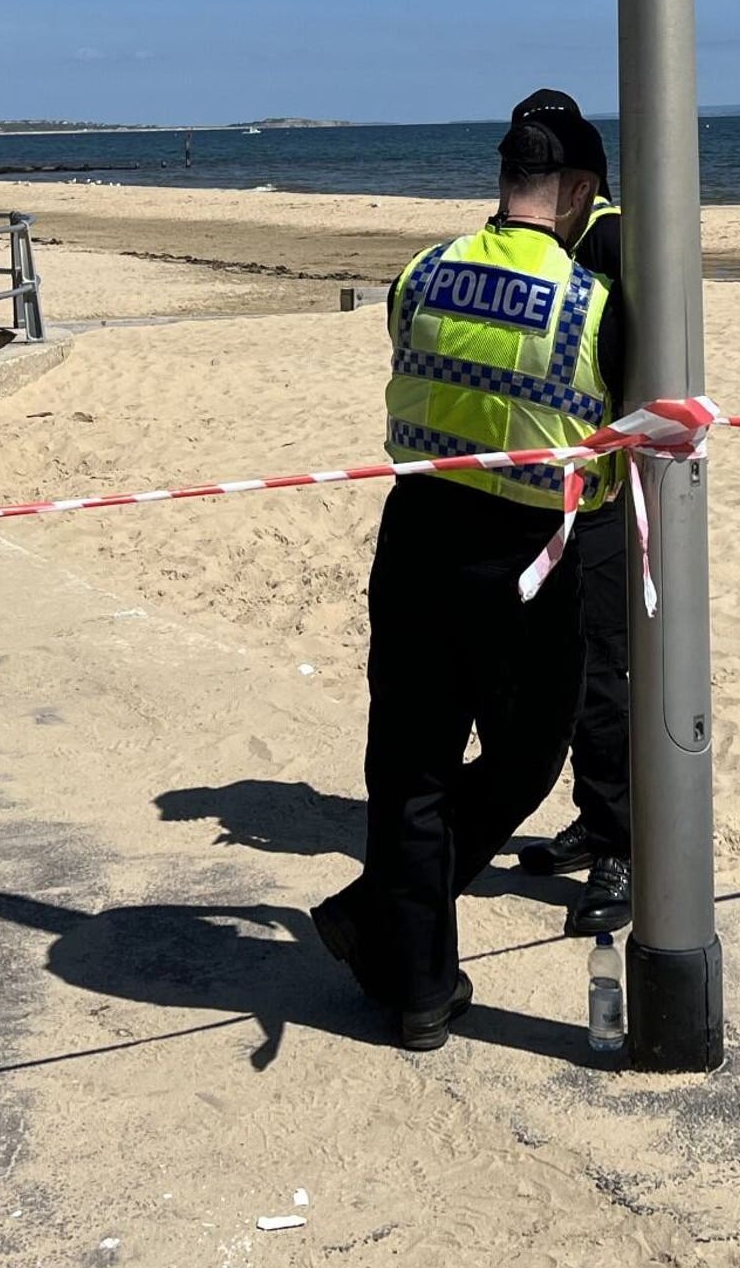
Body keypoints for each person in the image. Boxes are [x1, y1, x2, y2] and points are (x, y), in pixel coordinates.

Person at [313, 90, 624, 1049]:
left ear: (502, 180)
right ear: (576, 191)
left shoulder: (421, 270)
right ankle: (392, 934)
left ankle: (414, 987)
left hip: (415, 538)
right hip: (530, 557)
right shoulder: (591, 300)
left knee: (409, 767)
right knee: (529, 756)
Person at [514, 190, 634, 937]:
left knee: (603, 675)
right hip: (551, 496)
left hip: (605, 498)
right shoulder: (555, 245)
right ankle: (594, 820)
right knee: (565, 665)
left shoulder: (611, 242)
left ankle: (620, 848)